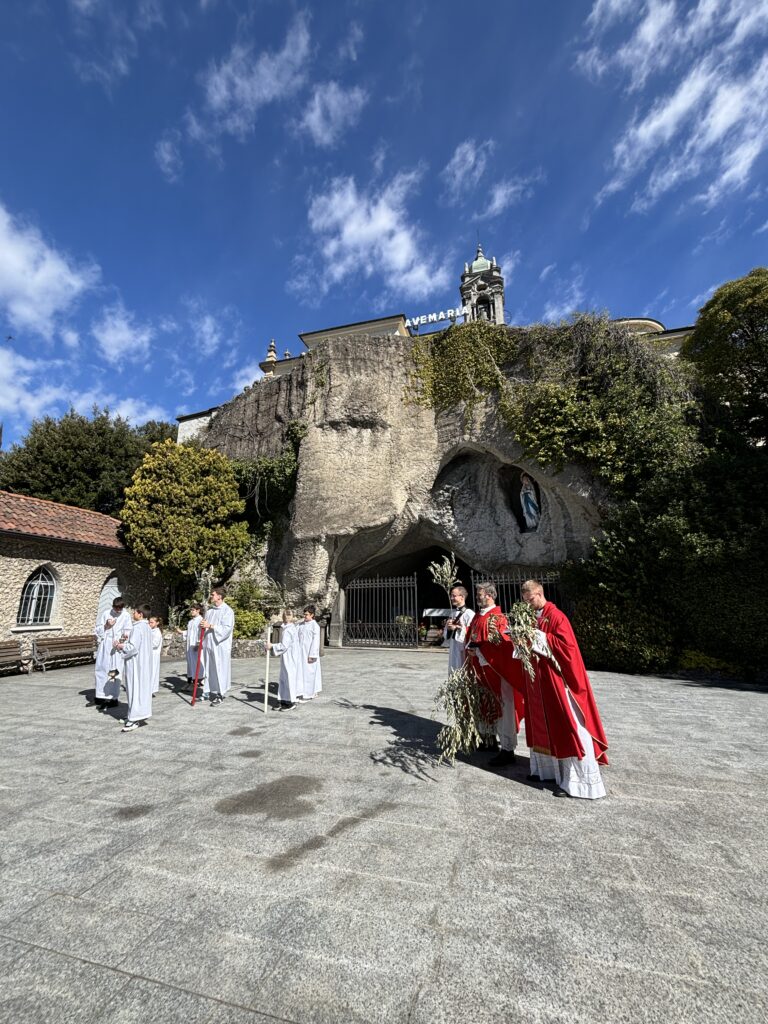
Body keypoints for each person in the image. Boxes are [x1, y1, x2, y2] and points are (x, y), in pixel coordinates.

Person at [518, 580, 608, 799]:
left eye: (530, 600)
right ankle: (547, 772)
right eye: (525, 601)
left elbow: (567, 648)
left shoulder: (557, 617)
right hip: (542, 681)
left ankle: (581, 784)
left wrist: (539, 636)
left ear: (539, 593)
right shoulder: (534, 617)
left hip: (562, 683)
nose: (528, 605)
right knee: (547, 724)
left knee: (569, 726)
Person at [465, 581, 525, 766]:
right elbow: (471, 638)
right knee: (485, 703)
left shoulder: (498, 618)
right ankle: (489, 739)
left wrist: (481, 651)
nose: (477, 597)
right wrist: (470, 648)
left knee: (503, 708)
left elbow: (503, 646)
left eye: (480, 594)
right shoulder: (477, 616)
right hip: (481, 671)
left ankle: (507, 749)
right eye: (477, 594)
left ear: (490, 595)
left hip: (497, 673)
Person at [115, 604, 154, 733]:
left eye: (135, 613)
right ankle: (134, 714)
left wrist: (120, 646)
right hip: (143, 663)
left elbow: (133, 648)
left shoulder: (138, 628)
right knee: (139, 690)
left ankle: (135, 718)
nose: (133, 614)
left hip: (136, 664)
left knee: (135, 689)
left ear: (140, 614)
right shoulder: (147, 627)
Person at [93, 596, 132, 710]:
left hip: (116, 647)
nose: (117, 611)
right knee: (101, 669)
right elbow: (97, 629)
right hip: (105, 645)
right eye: (115, 608)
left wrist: (120, 642)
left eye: (119, 608)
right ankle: (100, 695)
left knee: (113, 672)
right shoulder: (106, 613)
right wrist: (107, 626)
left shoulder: (125, 616)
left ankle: (112, 697)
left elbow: (127, 632)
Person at [201, 586, 234, 708]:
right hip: (209, 644)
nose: (211, 596)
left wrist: (211, 626)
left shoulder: (227, 611)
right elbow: (206, 626)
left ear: (219, 596)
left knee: (220, 669)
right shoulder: (209, 611)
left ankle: (220, 693)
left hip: (220, 646)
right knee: (210, 668)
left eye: (213, 594)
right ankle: (209, 691)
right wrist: (203, 626)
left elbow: (227, 629)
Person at [266, 610, 303, 710]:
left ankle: (290, 702)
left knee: (289, 678)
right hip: (288, 657)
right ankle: (283, 699)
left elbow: (284, 646)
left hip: (290, 657)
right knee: (284, 678)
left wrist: (271, 646)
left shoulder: (288, 630)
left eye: (288, 616)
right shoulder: (288, 628)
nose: (287, 618)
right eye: (286, 616)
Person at [177, 603, 207, 698]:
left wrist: (199, 643)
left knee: (196, 663)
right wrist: (182, 632)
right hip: (190, 646)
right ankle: (189, 682)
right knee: (190, 664)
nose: (191, 611)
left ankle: (196, 682)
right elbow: (190, 632)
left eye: (193, 610)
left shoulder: (201, 621)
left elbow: (202, 633)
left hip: (196, 646)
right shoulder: (191, 622)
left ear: (198, 610)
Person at [443, 585, 475, 674]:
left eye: (454, 596)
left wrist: (458, 629)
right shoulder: (453, 614)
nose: (451, 598)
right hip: (453, 648)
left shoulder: (469, 614)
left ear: (462, 597)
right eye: (451, 596)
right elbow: (446, 635)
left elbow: (472, 634)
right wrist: (449, 629)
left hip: (463, 650)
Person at [297, 605, 322, 700]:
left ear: (312, 615)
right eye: (304, 614)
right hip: (301, 652)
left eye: (307, 614)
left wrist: (312, 655)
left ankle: (310, 692)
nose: (305, 616)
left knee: (310, 672)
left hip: (309, 653)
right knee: (302, 672)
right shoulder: (301, 625)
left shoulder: (315, 626)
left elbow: (316, 641)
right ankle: (302, 690)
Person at [148, 615, 163, 696]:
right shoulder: (150, 630)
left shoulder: (157, 632)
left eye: (151, 622)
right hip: (149, 654)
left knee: (153, 671)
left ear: (157, 623)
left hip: (154, 655)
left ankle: (151, 689)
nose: (149, 624)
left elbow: (155, 644)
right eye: (149, 622)